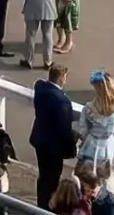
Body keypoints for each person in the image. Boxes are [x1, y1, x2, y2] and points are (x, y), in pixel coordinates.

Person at [30, 63, 76, 207]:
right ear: (61, 78)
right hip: (54, 148)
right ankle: (48, 207)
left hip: (40, 140)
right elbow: (64, 129)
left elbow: (38, 82)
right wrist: (71, 146)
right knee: (52, 179)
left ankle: (41, 204)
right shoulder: (63, 102)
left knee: (43, 177)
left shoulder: (41, 88)